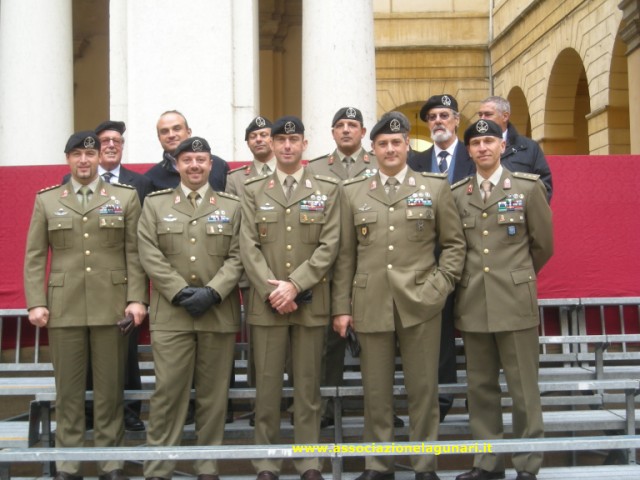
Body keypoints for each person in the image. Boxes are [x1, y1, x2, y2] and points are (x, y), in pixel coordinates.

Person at [332, 115, 466, 480]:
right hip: (370, 303)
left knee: (424, 390)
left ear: (408, 145)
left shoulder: (435, 187)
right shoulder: (353, 191)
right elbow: (345, 255)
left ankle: (425, 465)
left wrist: (439, 286)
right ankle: (379, 464)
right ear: (372, 149)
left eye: (396, 142)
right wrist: (342, 307)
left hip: (421, 302)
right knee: (376, 392)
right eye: (382, 144)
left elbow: (454, 246)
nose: (390, 149)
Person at [24, 131, 148, 480]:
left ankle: (111, 463)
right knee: (69, 392)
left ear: (99, 159)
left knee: (110, 391)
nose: (83, 160)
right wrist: (36, 301)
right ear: (67, 159)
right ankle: (68, 463)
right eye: (76, 154)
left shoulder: (124, 198)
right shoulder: (48, 200)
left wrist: (137, 298)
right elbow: (35, 256)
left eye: (89, 154)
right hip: (63, 308)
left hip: (112, 307)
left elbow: (134, 253)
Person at [451, 119, 553, 480]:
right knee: (480, 389)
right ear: (468, 150)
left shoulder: (527, 188)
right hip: (474, 303)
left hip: (514, 301)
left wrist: (517, 276)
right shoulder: (458, 193)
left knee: (523, 390)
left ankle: (527, 465)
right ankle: (487, 463)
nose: (482, 148)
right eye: (476, 142)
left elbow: (543, 245)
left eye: (489, 141)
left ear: (502, 145)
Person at [239, 116, 340, 480]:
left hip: (310, 304)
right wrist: (274, 291)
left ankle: (308, 460)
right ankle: (267, 461)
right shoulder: (252, 188)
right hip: (267, 307)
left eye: (293, 139)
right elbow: (247, 246)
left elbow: (330, 246)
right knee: (266, 390)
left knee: (308, 390)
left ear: (304, 144)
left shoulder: (327, 188)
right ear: (270, 143)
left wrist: (294, 285)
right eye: (279, 139)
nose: (285, 146)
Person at [137, 136, 243, 480]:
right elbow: (148, 252)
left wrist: (213, 292)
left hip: (218, 312)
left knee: (214, 397)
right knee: (168, 393)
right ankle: (158, 468)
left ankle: (207, 466)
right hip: (172, 314)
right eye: (188, 160)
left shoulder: (232, 206)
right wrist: (180, 292)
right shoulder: (154, 205)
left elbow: (240, 255)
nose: (195, 166)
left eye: (201, 160)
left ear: (211, 165)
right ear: (176, 165)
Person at [62, 120, 151, 432]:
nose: (110, 145)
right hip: (74, 295)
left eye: (116, 140)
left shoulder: (136, 185)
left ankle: (125, 414)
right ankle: (85, 420)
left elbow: (137, 245)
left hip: (117, 292)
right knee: (78, 366)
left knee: (121, 362)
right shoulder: (63, 187)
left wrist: (136, 296)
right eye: (104, 141)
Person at [307, 106, 384, 428]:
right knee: (328, 343)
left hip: (373, 261)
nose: (346, 130)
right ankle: (324, 409)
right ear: (332, 132)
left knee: (376, 342)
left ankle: (376, 410)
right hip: (328, 265)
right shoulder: (314, 168)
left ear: (363, 132)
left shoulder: (381, 163)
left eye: (353, 125)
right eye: (340, 125)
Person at [407, 94, 475, 422]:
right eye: (432, 116)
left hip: (474, 258)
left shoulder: (474, 158)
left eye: (444, 115)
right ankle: (440, 398)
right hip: (427, 262)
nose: (437, 121)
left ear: (456, 120)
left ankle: (478, 398)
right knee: (439, 330)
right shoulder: (415, 162)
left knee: (474, 328)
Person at [226, 115, 277, 426]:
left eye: (264, 134)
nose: (260, 139)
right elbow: (237, 226)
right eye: (254, 136)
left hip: (290, 274)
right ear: (248, 143)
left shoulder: (299, 172)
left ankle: (295, 401)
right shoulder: (236, 179)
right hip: (253, 273)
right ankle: (262, 404)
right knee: (259, 344)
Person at [476, 96, 553, 201]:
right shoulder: (473, 147)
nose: (482, 120)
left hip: (516, 214)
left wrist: (524, 212)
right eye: (480, 115)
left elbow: (544, 186)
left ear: (505, 116)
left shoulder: (529, 147)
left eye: (488, 114)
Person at [145, 110, 229, 192]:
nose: (171, 135)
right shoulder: (152, 177)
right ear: (159, 138)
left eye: (177, 129)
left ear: (188, 132)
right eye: (164, 131)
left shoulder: (219, 166)